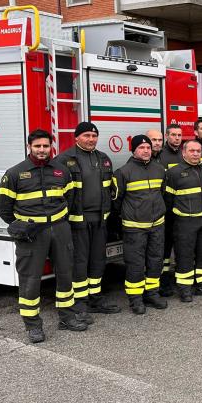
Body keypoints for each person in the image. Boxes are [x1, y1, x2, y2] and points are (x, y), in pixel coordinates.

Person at [0, 129, 80, 342]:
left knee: (65, 274)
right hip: (32, 234)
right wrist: (19, 226)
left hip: (60, 229)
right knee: (30, 279)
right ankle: (33, 326)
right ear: (29, 147)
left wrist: (59, 220)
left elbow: (70, 198)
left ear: (51, 146)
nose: (42, 150)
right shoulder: (14, 173)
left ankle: (67, 317)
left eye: (45, 146)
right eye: (37, 146)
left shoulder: (62, 171)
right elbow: (3, 206)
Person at [55, 122, 120, 318]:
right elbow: (58, 193)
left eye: (94, 135)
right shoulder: (65, 160)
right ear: (77, 138)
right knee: (79, 261)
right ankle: (80, 301)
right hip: (77, 221)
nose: (91, 139)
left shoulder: (103, 159)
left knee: (98, 260)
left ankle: (95, 297)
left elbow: (110, 189)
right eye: (86, 136)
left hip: (100, 220)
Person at [111, 134, 168, 314]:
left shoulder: (159, 169)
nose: (146, 151)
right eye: (141, 148)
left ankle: (152, 293)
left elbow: (163, 194)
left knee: (155, 260)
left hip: (157, 225)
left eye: (148, 148)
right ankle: (135, 298)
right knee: (135, 263)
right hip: (134, 227)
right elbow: (116, 202)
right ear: (133, 150)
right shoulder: (123, 172)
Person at [164, 140, 202, 302]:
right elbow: (168, 200)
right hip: (185, 222)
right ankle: (185, 288)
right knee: (184, 255)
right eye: (192, 151)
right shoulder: (174, 173)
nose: (195, 154)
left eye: (198, 151)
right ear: (184, 153)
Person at [157, 123, 183, 297]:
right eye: (173, 135)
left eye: (179, 135)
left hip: (183, 209)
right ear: (167, 136)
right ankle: (164, 280)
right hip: (167, 209)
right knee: (165, 248)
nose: (177, 138)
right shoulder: (159, 156)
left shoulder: (185, 153)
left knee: (182, 246)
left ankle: (181, 278)